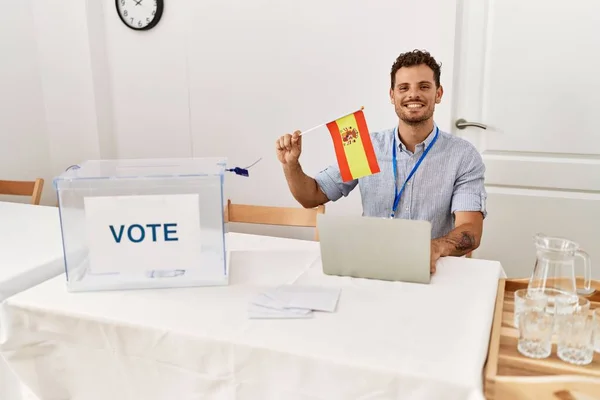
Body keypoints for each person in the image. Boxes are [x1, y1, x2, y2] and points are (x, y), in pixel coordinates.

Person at [275, 49, 487, 274]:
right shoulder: (364, 147)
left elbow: (471, 231)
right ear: (392, 95)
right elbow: (312, 196)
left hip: (432, 270)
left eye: (424, 86)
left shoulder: (463, 155)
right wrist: (291, 165)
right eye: (403, 88)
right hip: (371, 269)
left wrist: (435, 247)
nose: (413, 95)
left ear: (439, 93)